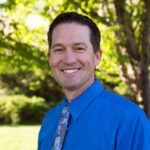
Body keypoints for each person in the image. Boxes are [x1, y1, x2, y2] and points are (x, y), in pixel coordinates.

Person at [38, 12, 150, 150]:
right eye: (59, 49)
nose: (68, 59)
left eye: (79, 48)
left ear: (97, 57)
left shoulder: (130, 120)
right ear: (50, 58)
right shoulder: (49, 120)